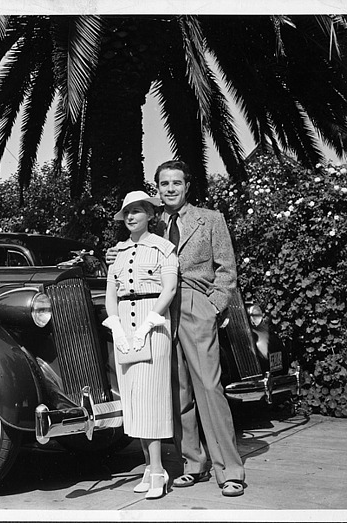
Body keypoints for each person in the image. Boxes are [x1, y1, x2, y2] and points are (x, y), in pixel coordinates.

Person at [106, 160, 246, 497]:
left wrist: (213, 305)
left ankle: (230, 470)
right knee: (177, 388)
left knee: (208, 387)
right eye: (164, 184)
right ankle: (192, 463)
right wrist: (116, 256)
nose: (170, 189)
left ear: (187, 186)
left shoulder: (210, 220)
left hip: (195, 304)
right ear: (157, 189)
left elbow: (227, 270)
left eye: (176, 183)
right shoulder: (150, 226)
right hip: (158, 309)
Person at [103, 190, 178, 499]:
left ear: (150, 214)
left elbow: (169, 288)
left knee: (152, 399)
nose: (131, 216)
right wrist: (117, 328)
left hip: (153, 326)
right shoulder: (117, 253)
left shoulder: (163, 249)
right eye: (127, 212)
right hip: (125, 328)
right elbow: (111, 295)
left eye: (137, 211)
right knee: (133, 400)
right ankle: (149, 467)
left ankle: (160, 469)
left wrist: (150, 322)